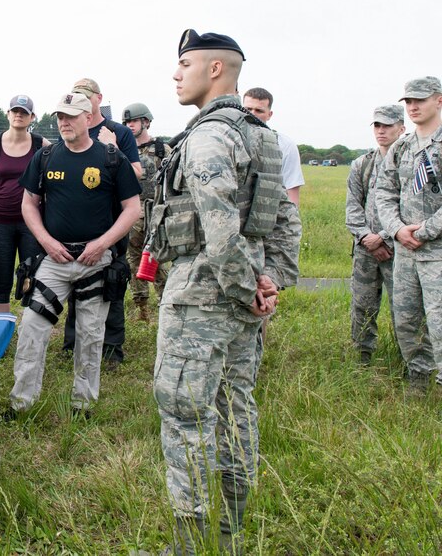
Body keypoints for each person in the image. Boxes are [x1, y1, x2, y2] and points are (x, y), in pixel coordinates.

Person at [142, 30, 300, 555]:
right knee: (237, 411)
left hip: (201, 296)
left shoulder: (209, 136)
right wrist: (269, 281)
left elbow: (218, 226)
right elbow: (284, 221)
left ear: (216, 70)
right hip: (245, 296)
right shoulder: (264, 136)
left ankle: (191, 547)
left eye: (184, 63)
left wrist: (242, 288)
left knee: (185, 416)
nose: (176, 74)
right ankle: (227, 537)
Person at [5, 91, 141, 419]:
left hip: (97, 262)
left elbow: (132, 209)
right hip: (54, 260)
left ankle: (83, 405)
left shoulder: (111, 158)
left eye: (70, 116)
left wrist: (103, 244)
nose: (63, 122)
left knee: (91, 336)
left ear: (88, 118)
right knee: (32, 329)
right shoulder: (47, 156)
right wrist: (46, 242)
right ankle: (20, 404)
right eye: (59, 117)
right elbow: (29, 204)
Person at [63, 79, 141, 368]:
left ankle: (111, 349)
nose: (83, 101)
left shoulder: (118, 132)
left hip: (112, 219)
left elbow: (136, 172)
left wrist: (113, 150)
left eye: (87, 96)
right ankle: (72, 344)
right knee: (75, 279)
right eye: (77, 96)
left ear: (98, 99)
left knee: (112, 281)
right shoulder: (70, 130)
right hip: (78, 219)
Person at [376, 77, 442, 393]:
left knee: (440, 323)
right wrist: (398, 229)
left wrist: (426, 230)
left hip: (437, 250)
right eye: (408, 102)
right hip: (406, 250)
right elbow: (384, 192)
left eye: (420, 100)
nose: (413, 107)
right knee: (406, 320)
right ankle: (418, 382)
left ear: (439, 101)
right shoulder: (402, 146)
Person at [0, 94, 49, 313]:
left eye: (24, 112)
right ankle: (2, 336)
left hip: (32, 225)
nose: (19, 115)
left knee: (31, 280)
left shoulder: (41, 144)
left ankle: (30, 333)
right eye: (15, 111)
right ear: (8, 114)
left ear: (32, 117)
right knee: (1, 284)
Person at [346, 104, 405, 366]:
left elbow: (412, 208)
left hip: (399, 248)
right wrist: (366, 238)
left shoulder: (409, 162)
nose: (381, 131)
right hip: (365, 249)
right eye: (377, 126)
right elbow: (353, 205)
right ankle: (362, 357)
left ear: (401, 129)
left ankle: (410, 361)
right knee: (362, 305)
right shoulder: (363, 164)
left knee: (404, 309)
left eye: (387, 126)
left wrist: (384, 236)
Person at [122, 102, 169, 322]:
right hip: (132, 213)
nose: (129, 125)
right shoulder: (123, 150)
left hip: (156, 212)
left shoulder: (162, 149)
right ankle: (141, 307)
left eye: (133, 121)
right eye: (126, 122)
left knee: (158, 259)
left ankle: (165, 303)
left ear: (146, 122)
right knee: (133, 261)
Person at [243, 87, 305, 206]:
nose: (252, 114)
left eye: (259, 110)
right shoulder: (229, 141)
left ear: (269, 114)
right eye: (248, 109)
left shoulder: (285, 145)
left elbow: (292, 195)